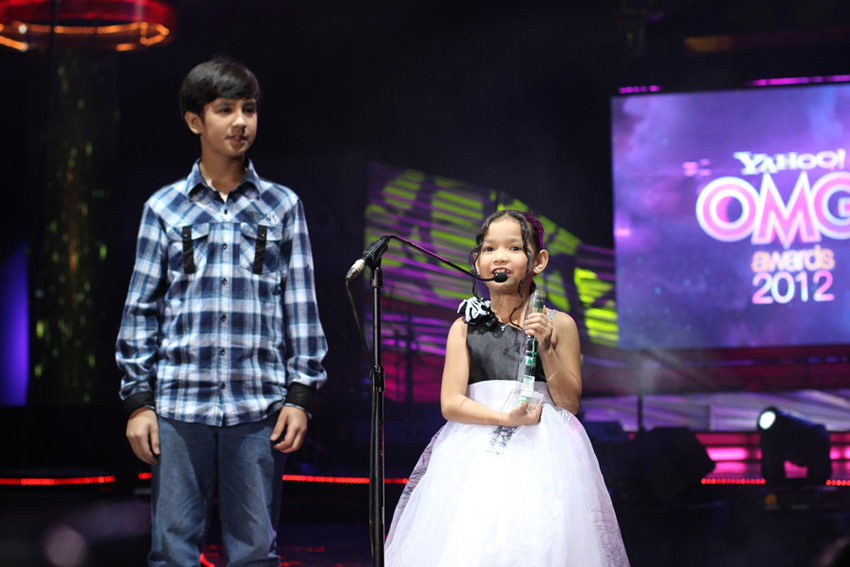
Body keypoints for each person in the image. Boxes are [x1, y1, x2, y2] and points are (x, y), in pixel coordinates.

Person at [116, 56, 328, 567]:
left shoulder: (282, 206)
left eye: (248, 110)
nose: (240, 121)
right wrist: (139, 403)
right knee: (171, 552)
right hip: (177, 406)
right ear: (196, 120)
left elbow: (300, 305)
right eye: (225, 109)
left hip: (258, 406)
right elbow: (141, 309)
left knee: (255, 552)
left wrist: (300, 395)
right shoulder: (164, 207)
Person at [385, 209, 630, 566]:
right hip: (474, 450)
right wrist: (505, 418)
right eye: (489, 249)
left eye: (514, 248)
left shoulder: (559, 324)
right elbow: (451, 403)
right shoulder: (464, 328)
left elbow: (569, 402)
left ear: (539, 261)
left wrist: (545, 348)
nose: (500, 257)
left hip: (544, 450)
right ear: (476, 262)